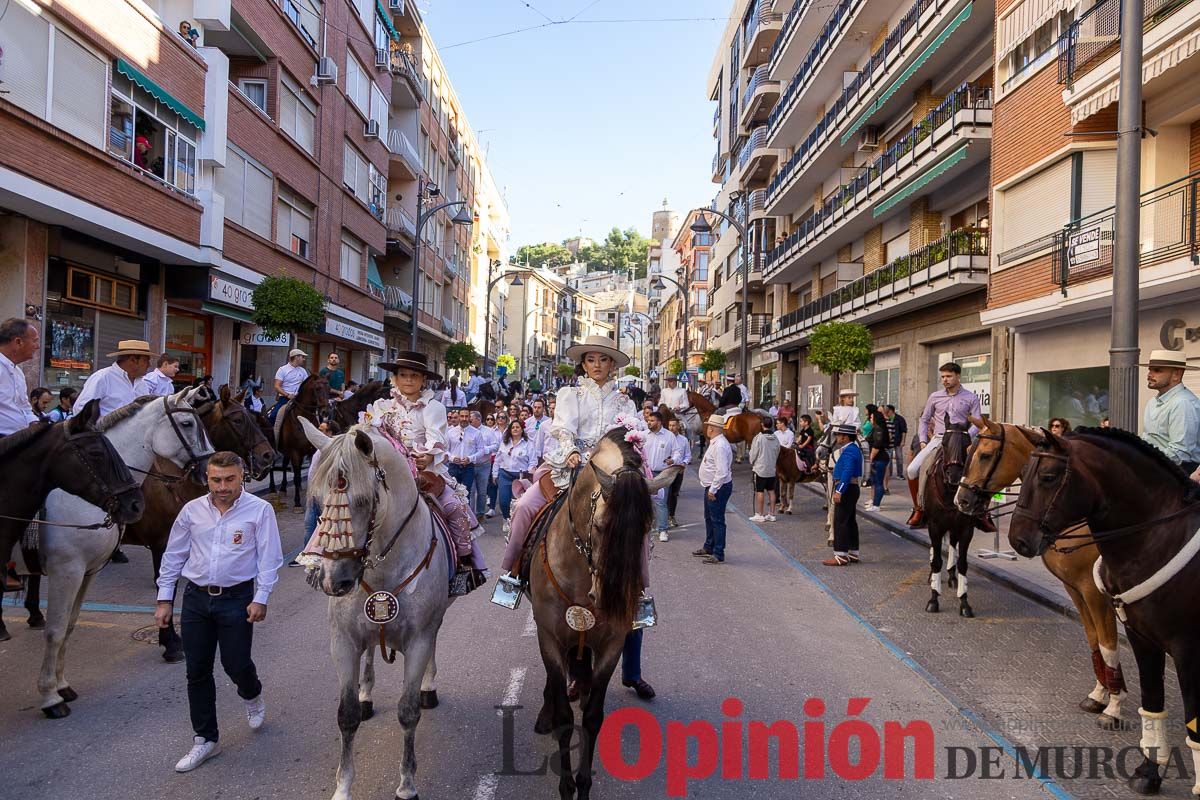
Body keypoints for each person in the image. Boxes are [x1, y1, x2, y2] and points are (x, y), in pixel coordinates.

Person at [155, 451, 283, 773]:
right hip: (196, 599)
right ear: (206, 479)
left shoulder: (260, 511)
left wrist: (261, 597)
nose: (222, 486)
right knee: (196, 671)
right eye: (216, 480)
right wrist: (164, 599)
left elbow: (269, 559)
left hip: (237, 599)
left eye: (229, 479)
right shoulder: (191, 511)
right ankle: (204, 740)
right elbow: (173, 556)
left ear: (242, 477)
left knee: (236, 664)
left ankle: (252, 694)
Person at [501, 336, 644, 576]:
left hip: (612, 472)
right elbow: (563, 427)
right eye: (591, 360)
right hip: (571, 465)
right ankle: (513, 572)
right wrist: (571, 449)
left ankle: (638, 589)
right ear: (584, 365)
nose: (597, 365)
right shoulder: (571, 394)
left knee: (638, 522)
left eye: (603, 359)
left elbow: (630, 437)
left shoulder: (625, 402)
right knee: (525, 506)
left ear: (612, 365)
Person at [349, 351, 486, 590]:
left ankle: (465, 565)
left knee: (455, 506)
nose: (408, 380)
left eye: (414, 375)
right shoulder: (381, 406)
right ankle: (326, 554)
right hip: (383, 471)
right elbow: (370, 434)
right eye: (403, 375)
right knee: (349, 501)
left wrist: (426, 456)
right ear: (394, 378)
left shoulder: (433, 407)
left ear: (424, 379)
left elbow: (437, 438)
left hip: (423, 471)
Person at [905, 362, 983, 528]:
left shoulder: (971, 397)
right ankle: (919, 508)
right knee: (912, 470)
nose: (945, 380)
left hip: (963, 440)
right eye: (943, 377)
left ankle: (982, 513)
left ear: (958, 376)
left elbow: (978, 423)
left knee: (982, 471)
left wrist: (964, 436)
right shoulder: (935, 397)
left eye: (948, 376)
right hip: (939, 439)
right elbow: (924, 419)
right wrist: (923, 440)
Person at [1138, 349, 1200, 477]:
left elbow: (1180, 454)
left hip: (1181, 474)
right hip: (1159, 468)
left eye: (1157, 370)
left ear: (1176, 374)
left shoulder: (1183, 403)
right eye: (1150, 369)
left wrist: (1143, 457)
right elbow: (1148, 439)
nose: (1149, 374)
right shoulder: (1153, 402)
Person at [74, 339, 152, 418]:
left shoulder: (142, 384)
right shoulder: (102, 378)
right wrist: (102, 426)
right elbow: (81, 409)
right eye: (145, 361)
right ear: (133, 360)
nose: (149, 365)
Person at [696, 414, 733, 564]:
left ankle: (718, 552)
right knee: (710, 517)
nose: (706, 428)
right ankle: (709, 546)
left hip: (717, 487)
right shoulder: (716, 443)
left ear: (712, 428)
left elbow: (722, 471)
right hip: (712, 486)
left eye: (708, 426)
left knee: (717, 519)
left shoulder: (720, 445)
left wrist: (713, 489)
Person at [824, 425, 862, 566]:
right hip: (851, 488)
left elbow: (847, 471)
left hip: (846, 488)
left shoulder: (849, 451)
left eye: (839, 435)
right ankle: (853, 552)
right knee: (850, 521)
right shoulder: (852, 449)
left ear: (845, 437)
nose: (837, 437)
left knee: (840, 521)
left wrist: (839, 490)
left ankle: (840, 555)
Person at [446, 407, 484, 523]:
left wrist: (470, 458)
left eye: (466, 416)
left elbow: (481, 450)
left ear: (469, 417)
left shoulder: (476, 433)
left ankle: (465, 519)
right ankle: (453, 519)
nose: (464, 419)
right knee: (452, 493)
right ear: (458, 417)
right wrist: (452, 457)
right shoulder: (450, 432)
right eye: (461, 416)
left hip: (468, 467)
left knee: (465, 493)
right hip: (453, 467)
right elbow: (445, 449)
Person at [643, 411, 676, 542]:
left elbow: (677, 452)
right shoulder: (643, 435)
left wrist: (673, 460)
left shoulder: (669, 436)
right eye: (648, 420)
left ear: (659, 422)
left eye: (652, 421)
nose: (649, 422)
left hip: (661, 474)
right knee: (644, 501)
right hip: (645, 473)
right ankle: (645, 527)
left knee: (661, 502)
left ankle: (663, 530)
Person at [749, 422, 780, 523]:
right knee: (771, 490)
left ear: (762, 425)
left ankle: (760, 514)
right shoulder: (775, 438)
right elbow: (777, 451)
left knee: (760, 490)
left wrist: (752, 461)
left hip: (760, 468)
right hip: (771, 468)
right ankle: (772, 514)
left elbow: (754, 452)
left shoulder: (759, 437)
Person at [268, 349, 308, 423]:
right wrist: (287, 395)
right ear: (296, 357)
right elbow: (277, 386)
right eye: (302, 357)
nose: (304, 359)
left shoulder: (303, 371)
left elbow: (306, 385)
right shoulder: (282, 370)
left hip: (299, 398)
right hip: (284, 398)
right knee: (273, 416)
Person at [864, 408, 891, 511]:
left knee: (879, 482)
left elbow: (877, 445)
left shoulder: (879, 429)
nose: (870, 419)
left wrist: (870, 458)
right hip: (877, 459)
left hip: (879, 459)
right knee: (875, 482)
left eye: (871, 418)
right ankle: (874, 502)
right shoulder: (876, 429)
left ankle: (876, 505)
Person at [468, 411, 494, 519]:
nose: (469, 421)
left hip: (484, 465)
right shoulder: (467, 431)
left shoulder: (489, 431)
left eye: (471, 419)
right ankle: (471, 516)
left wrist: (484, 450)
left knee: (482, 491)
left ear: (478, 419)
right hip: (470, 465)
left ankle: (480, 513)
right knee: (470, 491)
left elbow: (496, 445)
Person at [665, 418, 690, 527]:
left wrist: (684, 463)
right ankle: (661, 516)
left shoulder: (683, 440)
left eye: (674, 425)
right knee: (664, 494)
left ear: (678, 426)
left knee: (674, 494)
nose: (671, 428)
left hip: (678, 470)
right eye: (670, 425)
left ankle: (671, 516)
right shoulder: (665, 438)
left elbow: (688, 455)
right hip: (665, 470)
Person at [885, 405, 907, 479]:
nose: (886, 412)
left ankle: (900, 474)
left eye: (887, 411)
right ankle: (889, 474)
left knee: (899, 457)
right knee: (889, 458)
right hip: (889, 442)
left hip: (898, 441)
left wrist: (903, 441)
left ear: (891, 411)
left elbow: (904, 430)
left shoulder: (899, 419)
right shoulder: (887, 419)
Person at [525, 398, 550, 464]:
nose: (536, 409)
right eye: (535, 407)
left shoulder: (549, 422)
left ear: (543, 408)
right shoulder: (527, 423)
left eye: (539, 407)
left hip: (544, 456)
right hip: (530, 455)